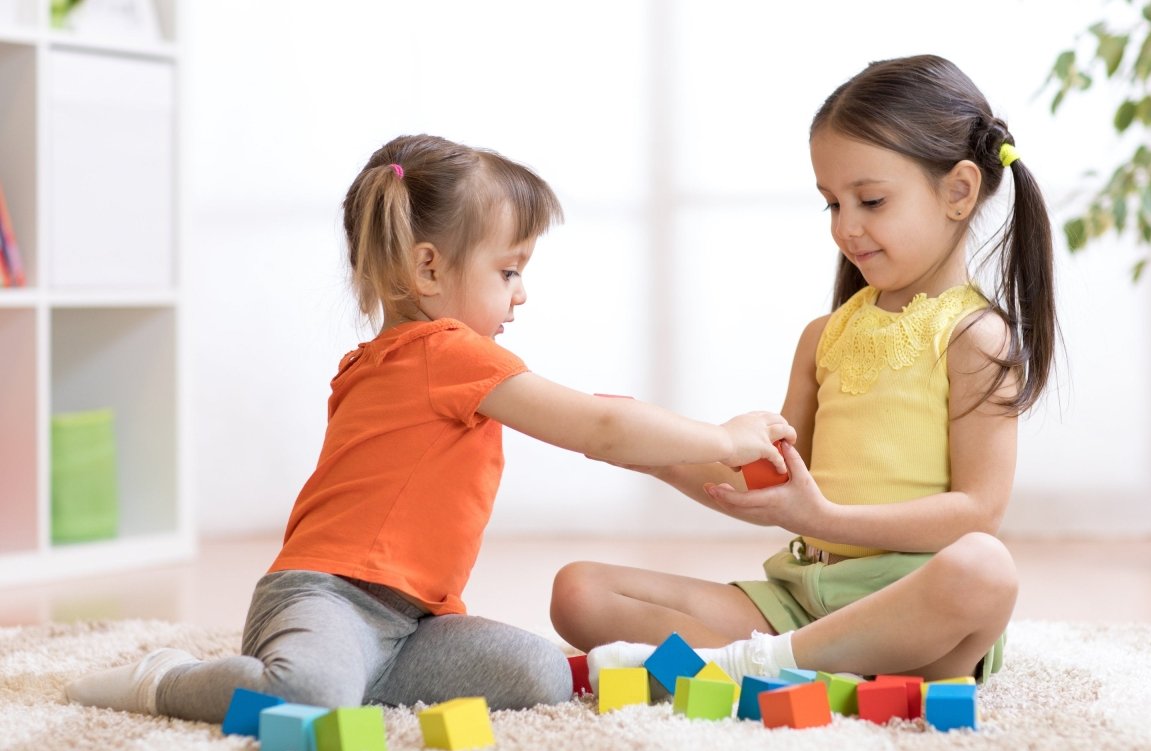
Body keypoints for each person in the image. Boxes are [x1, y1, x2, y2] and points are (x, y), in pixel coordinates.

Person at [65, 134, 796, 720]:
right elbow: (598, 428)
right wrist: (722, 439)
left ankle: (357, 684)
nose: (523, 293)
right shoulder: (441, 353)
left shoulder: (415, 359)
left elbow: (609, 424)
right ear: (427, 268)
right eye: (509, 272)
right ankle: (167, 681)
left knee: (539, 674)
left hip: (413, 623)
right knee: (310, 699)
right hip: (324, 596)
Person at [551, 54, 1057, 689]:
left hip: (911, 608)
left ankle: (766, 665)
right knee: (579, 591)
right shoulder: (824, 336)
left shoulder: (974, 337)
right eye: (831, 205)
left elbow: (978, 513)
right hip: (798, 600)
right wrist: (650, 451)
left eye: (870, 200)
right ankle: (800, 665)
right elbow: (775, 485)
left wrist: (823, 521)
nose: (846, 227)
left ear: (958, 191)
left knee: (985, 569)